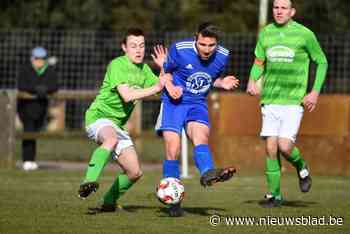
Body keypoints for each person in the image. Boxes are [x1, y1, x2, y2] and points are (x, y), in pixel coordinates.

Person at [78, 28, 169, 214]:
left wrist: (164, 67)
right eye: (133, 46)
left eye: (142, 46)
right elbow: (127, 96)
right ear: (124, 48)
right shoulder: (117, 65)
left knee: (134, 172)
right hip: (98, 117)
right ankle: (88, 181)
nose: (138, 50)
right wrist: (157, 86)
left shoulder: (144, 70)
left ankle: (108, 202)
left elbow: (164, 88)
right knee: (110, 140)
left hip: (117, 125)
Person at [246, 0, 328, 208]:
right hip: (270, 100)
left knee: (284, 146)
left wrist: (315, 92)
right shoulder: (266, 33)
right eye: (275, 7)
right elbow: (259, 62)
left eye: (284, 7)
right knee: (270, 148)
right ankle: (274, 196)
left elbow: (322, 61)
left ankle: (302, 167)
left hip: (293, 101)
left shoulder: (305, 34)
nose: (279, 11)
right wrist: (252, 80)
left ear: (292, 11)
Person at [154, 22, 239, 217]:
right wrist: (170, 87)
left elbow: (208, 79)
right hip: (173, 103)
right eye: (202, 44)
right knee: (172, 149)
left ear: (217, 44)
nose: (207, 50)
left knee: (201, 137)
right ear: (196, 38)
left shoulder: (223, 55)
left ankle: (208, 173)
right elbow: (165, 72)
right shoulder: (179, 50)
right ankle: (174, 203)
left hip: (197, 103)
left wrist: (222, 82)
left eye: (211, 46)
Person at [17, 46, 59, 171]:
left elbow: (54, 86)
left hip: (41, 108)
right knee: (28, 132)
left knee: (35, 133)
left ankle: (31, 160)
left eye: (42, 59)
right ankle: (27, 160)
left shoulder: (50, 71)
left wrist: (44, 89)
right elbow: (22, 85)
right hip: (26, 108)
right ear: (32, 59)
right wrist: (37, 89)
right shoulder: (25, 70)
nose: (39, 61)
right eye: (37, 58)